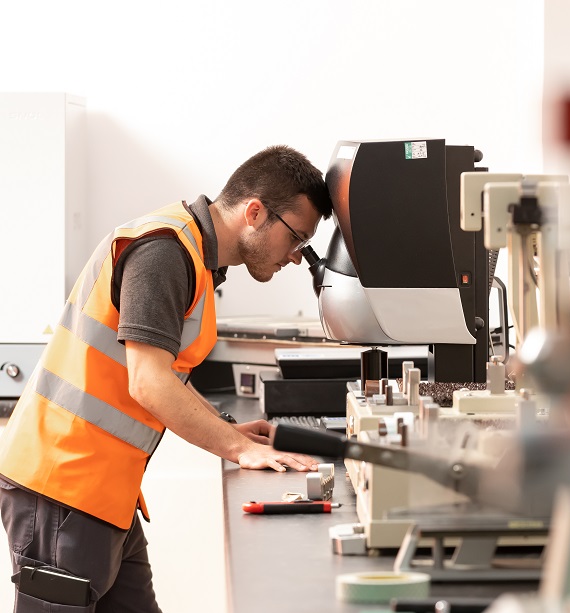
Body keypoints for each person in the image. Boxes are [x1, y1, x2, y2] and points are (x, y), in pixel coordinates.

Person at [0, 145, 334, 612]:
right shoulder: (164, 252)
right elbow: (149, 382)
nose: (297, 258)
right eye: (297, 238)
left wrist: (226, 428)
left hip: (106, 492)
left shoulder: (193, 256)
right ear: (255, 213)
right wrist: (240, 448)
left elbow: (167, 374)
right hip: (63, 488)